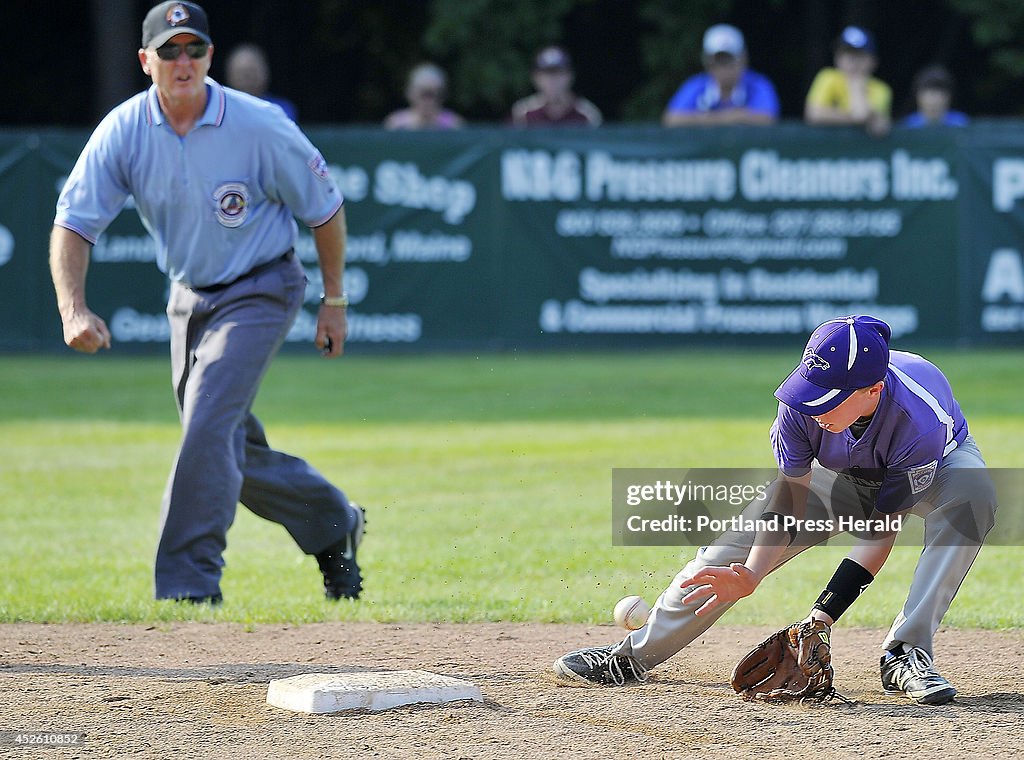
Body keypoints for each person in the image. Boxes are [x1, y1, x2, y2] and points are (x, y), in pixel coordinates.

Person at [49, 1, 365, 605]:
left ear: (210, 57)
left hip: (263, 286)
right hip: (189, 298)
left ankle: (190, 585)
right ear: (146, 61)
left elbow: (324, 209)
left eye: (194, 48)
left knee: (207, 422)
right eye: (169, 50)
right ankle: (334, 523)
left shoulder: (258, 124)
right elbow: (73, 223)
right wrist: (73, 308)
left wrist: (334, 300)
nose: (183, 60)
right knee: (223, 443)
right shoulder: (124, 130)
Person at [555, 315, 996, 705]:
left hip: (936, 465)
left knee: (973, 499)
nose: (813, 405)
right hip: (844, 472)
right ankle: (633, 656)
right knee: (721, 559)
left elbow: (879, 532)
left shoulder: (917, 421)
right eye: (811, 390)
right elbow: (789, 502)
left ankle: (905, 652)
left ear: (872, 390)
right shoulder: (801, 404)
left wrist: (821, 617)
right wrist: (749, 574)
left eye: (828, 398)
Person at [662, 24, 779, 126]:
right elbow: (671, 119)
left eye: (729, 60)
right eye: (718, 60)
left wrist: (704, 119)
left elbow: (768, 118)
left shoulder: (758, 85)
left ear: (743, 59)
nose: (723, 67)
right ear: (706, 62)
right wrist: (734, 117)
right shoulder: (696, 85)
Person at [805, 26, 891, 136]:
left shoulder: (881, 89)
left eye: (859, 55)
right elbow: (814, 114)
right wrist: (857, 119)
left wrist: (857, 85)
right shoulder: (827, 77)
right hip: (828, 149)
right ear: (837, 58)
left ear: (873, 61)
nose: (852, 61)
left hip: (863, 151)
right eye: (846, 54)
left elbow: (863, 115)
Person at [510, 46, 602, 127]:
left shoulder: (587, 114)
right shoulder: (523, 113)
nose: (552, 80)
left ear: (569, 76)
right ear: (536, 77)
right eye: (547, 74)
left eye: (558, 73)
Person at [225, 42, 298, 121]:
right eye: (242, 73)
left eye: (253, 72)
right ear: (229, 75)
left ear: (265, 72)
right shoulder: (221, 111)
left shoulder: (281, 110)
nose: (248, 79)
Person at [383, 62, 465, 130]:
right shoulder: (397, 125)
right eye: (424, 94)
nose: (428, 101)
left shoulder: (453, 124)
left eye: (433, 94)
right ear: (411, 94)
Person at [902, 65, 969, 128]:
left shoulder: (961, 123)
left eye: (938, 100)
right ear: (918, 98)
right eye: (929, 101)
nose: (933, 105)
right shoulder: (908, 126)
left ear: (948, 98)